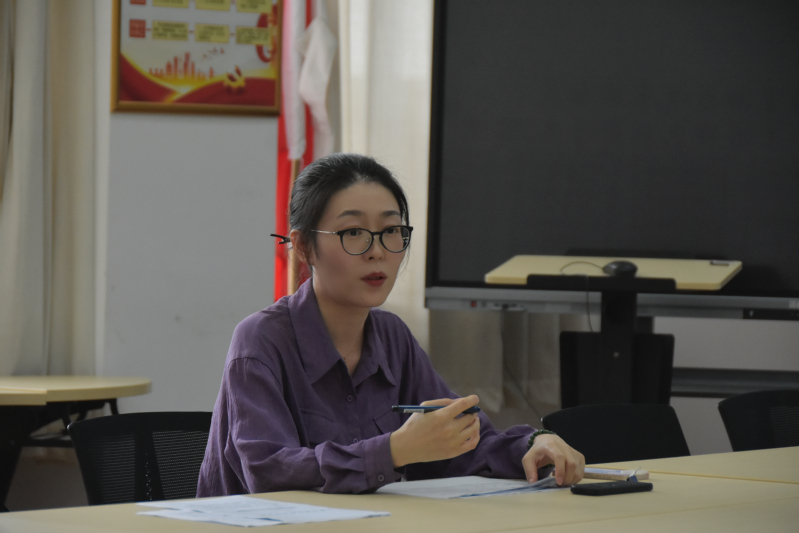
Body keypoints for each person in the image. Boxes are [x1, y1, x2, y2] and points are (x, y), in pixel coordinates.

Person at [196, 153, 584, 497]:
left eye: (391, 231)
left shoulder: (392, 336)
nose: (378, 251)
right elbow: (269, 472)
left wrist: (535, 443)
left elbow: (461, 444)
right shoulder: (261, 340)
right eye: (353, 233)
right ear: (303, 247)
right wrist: (395, 450)